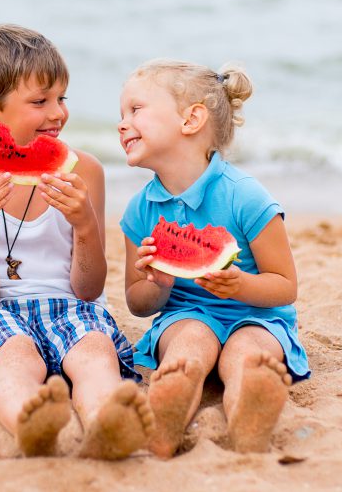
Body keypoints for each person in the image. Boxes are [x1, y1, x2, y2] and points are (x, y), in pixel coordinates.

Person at [0, 24, 153, 459]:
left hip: (73, 305)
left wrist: (84, 223)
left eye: (61, 98)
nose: (59, 113)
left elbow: (89, 289)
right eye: (40, 101)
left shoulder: (83, 171)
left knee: (95, 355)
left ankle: (108, 421)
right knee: (13, 362)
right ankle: (31, 424)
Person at [118, 59, 310, 457]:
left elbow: (285, 286)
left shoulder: (245, 195)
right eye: (121, 114)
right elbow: (138, 305)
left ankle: (249, 418)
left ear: (191, 120)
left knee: (247, 353)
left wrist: (240, 285)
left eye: (135, 110)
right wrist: (158, 283)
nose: (121, 123)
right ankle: (168, 411)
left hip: (258, 316)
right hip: (183, 316)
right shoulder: (140, 211)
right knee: (189, 344)